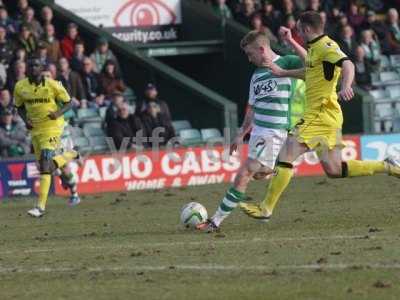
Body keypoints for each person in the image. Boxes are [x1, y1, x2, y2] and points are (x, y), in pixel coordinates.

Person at [240, 11, 400, 221]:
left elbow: (348, 64)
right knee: (334, 169)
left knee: (285, 155)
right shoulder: (314, 49)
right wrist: (283, 72)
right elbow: (309, 72)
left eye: (298, 29)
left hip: (319, 114)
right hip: (329, 116)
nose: (297, 32)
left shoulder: (326, 47)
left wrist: (345, 86)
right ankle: (388, 166)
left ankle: (266, 208)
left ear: (306, 29)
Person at [196, 30, 303, 232]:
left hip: (273, 131)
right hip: (257, 133)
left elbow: (310, 64)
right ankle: (277, 167)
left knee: (243, 173)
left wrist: (290, 41)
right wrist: (241, 133)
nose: (248, 58)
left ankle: (215, 222)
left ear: (262, 49)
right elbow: (251, 108)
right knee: (258, 174)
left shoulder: (286, 62)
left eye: (250, 53)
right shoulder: (255, 76)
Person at [14, 57, 81, 217]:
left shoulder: (52, 84)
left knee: (46, 163)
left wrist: (57, 113)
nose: (32, 68)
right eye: (29, 65)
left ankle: (41, 207)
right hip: (36, 130)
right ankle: (72, 154)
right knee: (47, 168)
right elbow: (19, 107)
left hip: (53, 128)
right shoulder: (20, 87)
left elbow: (70, 102)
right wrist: (26, 121)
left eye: (35, 65)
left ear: (41, 68)